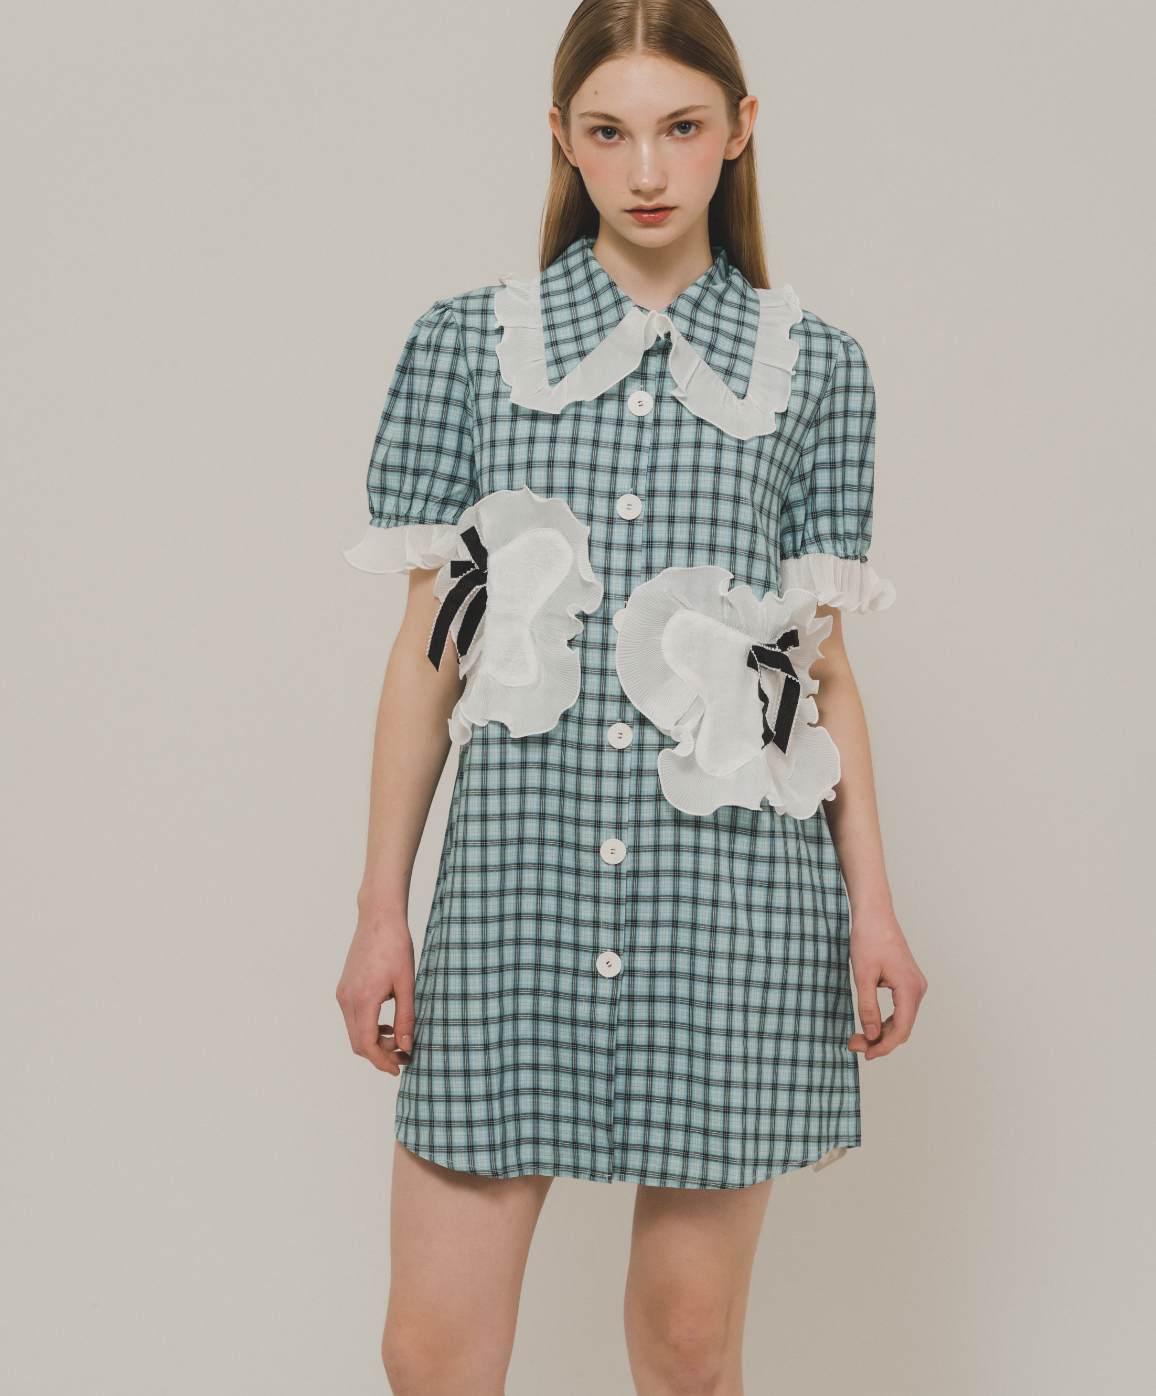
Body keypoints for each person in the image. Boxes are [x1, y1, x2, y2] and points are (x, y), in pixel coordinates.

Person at [337, 1, 927, 1391]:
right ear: (562, 139)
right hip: (514, 895)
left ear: (739, 131)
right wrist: (381, 910)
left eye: (680, 128)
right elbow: (428, 653)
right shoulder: (467, 345)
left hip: (733, 898)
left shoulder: (817, 369)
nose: (647, 170)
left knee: (686, 1346)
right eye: (608, 132)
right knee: (430, 1352)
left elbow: (821, 670)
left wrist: (876, 909)